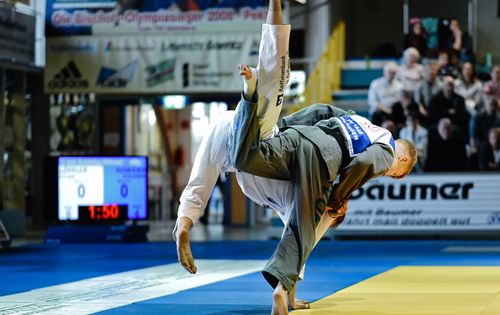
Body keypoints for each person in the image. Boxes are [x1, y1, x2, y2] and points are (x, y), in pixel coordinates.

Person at [230, 81, 417, 314]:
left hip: (300, 137)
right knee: (304, 226)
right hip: (320, 161)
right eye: (394, 174)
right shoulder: (387, 151)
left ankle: (249, 97)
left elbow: (320, 110)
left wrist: (284, 126)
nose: (388, 173)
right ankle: (281, 287)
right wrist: (338, 197)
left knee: (244, 159)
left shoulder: (360, 120)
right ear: (403, 161)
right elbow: (365, 163)